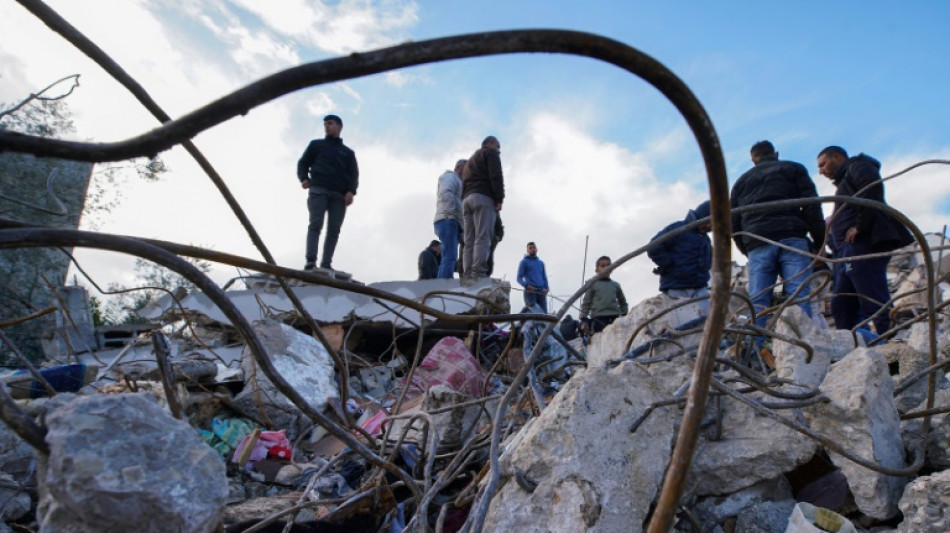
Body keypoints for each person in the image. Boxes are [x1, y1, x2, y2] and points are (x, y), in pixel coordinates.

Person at [731, 141, 826, 333]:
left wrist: (747, 248)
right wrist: (819, 243)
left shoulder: (741, 182)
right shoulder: (793, 169)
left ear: (753, 160)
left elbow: (734, 223)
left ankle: (753, 352)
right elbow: (812, 207)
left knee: (758, 301)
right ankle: (803, 348)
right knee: (798, 295)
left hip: (757, 243)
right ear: (775, 154)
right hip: (792, 236)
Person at [817, 146, 913, 334]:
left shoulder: (859, 165)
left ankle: (889, 338)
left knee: (871, 294)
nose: (821, 171)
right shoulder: (845, 181)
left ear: (837, 157)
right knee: (842, 302)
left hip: (862, 244)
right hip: (846, 251)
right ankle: (850, 346)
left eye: (823, 164)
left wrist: (860, 226)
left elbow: (871, 189)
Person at [297, 114, 359, 271]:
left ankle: (326, 263)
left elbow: (353, 174)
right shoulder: (316, 145)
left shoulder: (348, 153)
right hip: (319, 190)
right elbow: (303, 163)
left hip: (339, 195)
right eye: (325, 124)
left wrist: (351, 191)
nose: (327, 126)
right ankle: (311, 261)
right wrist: (304, 178)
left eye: (330, 123)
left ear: (339, 127)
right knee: (315, 224)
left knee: (334, 230)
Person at [647, 201, 713, 309]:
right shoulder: (679, 229)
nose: (710, 227)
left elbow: (708, 261)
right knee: (684, 322)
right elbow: (653, 247)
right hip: (677, 287)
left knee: (708, 319)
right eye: (709, 222)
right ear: (703, 217)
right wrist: (669, 264)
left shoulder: (705, 239)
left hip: (700, 288)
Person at [461, 136, 505, 283]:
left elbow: (464, 183)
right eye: (498, 147)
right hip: (483, 197)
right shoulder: (490, 153)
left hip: (466, 200)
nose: (498, 151)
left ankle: (466, 274)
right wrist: (499, 198)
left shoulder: (469, 162)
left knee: (469, 240)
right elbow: (496, 175)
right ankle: (478, 273)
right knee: (483, 236)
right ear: (491, 143)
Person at [580, 256, 629, 335]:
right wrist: (584, 319)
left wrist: (623, 314)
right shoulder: (592, 284)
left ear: (612, 268)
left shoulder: (615, 285)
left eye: (608, 265)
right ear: (597, 270)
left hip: (615, 319)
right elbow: (586, 303)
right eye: (602, 266)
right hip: (598, 321)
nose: (606, 268)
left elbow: (623, 302)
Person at [434, 159, 466, 278]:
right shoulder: (450, 177)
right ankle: (444, 285)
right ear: (459, 168)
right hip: (448, 219)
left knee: (449, 256)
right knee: (450, 256)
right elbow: (446, 194)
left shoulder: (459, 182)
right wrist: (454, 215)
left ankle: (442, 283)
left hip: (451, 220)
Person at [517, 242, 550, 313]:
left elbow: (544, 277)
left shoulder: (541, 263)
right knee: (532, 313)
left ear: (537, 249)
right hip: (530, 291)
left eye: (534, 247)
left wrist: (547, 288)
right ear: (527, 250)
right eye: (530, 248)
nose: (532, 249)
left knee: (544, 314)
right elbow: (519, 278)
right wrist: (526, 285)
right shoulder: (524, 262)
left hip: (541, 291)